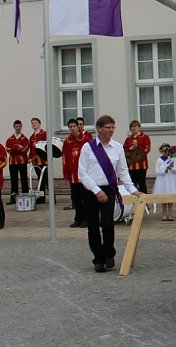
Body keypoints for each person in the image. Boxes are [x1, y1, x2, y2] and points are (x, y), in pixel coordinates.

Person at [78, 115, 143, 273]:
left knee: (107, 223)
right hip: (90, 190)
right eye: (108, 127)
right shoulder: (88, 147)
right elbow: (82, 173)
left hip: (109, 189)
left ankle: (109, 254)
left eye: (113, 127)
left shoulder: (118, 147)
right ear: (99, 129)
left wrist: (133, 190)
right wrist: (96, 190)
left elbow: (123, 172)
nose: (111, 130)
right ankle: (98, 259)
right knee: (93, 226)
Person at [63, 118, 91, 228]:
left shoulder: (86, 140)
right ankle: (78, 218)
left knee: (85, 197)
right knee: (76, 198)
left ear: (78, 127)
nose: (72, 128)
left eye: (74, 126)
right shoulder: (67, 141)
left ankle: (87, 219)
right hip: (73, 175)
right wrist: (66, 173)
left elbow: (90, 157)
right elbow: (65, 158)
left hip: (83, 175)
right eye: (70, 127)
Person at [154, 143, 176, 220]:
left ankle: (170, 214)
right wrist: (164, 171)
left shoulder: (173, 159)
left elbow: (175, 169)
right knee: (164, 197)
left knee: (170, 197)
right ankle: (164, 214)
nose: (165, 153)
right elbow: (157, 171)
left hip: (170, 179)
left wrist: (171, 168)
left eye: (167, 151)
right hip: (162, 180)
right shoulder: (159, 160)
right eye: (164, 151)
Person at [5, 120, 30, 205]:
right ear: (14, 127)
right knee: (13, 180)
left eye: (19, 126)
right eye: (16, 126)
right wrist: (17, 147)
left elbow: (26, 150)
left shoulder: (24, 138)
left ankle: (26, 196)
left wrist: (16, 148)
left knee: (24, 180)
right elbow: (8, 150)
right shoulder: (10, 138)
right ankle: (13, 198)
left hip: (22, 162)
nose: (18, 128)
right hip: (12, 162)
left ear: (21, 127)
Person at [123, 120, 151, 194]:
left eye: (135, 126)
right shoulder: (128, 139)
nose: (133, 128)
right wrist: (130, 149)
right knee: (132, 184)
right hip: (131, 165)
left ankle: (144, 202)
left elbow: (147, 149)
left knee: (142, 184)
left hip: (141, 165)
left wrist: (137, 146)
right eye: (132, 127)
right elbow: (124, 151)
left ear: (139, 127)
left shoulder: (145, 137)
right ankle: (134, 202)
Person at [28, 117, 48, 204]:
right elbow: (31, 149)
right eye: (32, 123)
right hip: (35, 161)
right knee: (40, 179)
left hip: (44, 160)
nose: (34, 124)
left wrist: (47, 158)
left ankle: (51, 196)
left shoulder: (44, 134)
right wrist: (29, 158)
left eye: (35, 123)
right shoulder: (31, 137)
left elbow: (47, 147)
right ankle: (41, 197)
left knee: (46, 179)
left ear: (39, 124)